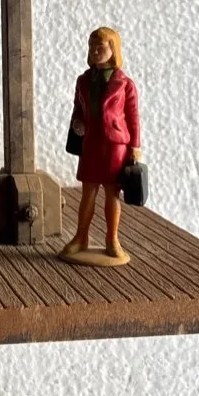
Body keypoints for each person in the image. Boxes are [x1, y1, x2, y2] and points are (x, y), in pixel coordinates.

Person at [62, 27, 141, 261]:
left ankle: (112, 239)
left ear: (113, 49)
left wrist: (135, 146)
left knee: (111, 193)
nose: (95, 51)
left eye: (100, 47)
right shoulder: (83, 80)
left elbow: (133, 117)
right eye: (91, 47)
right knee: (88, 192)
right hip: (91, 143)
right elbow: (78, 107)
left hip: (115, 145)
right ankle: (81, 237)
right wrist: (77, 122)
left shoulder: (125, 84)